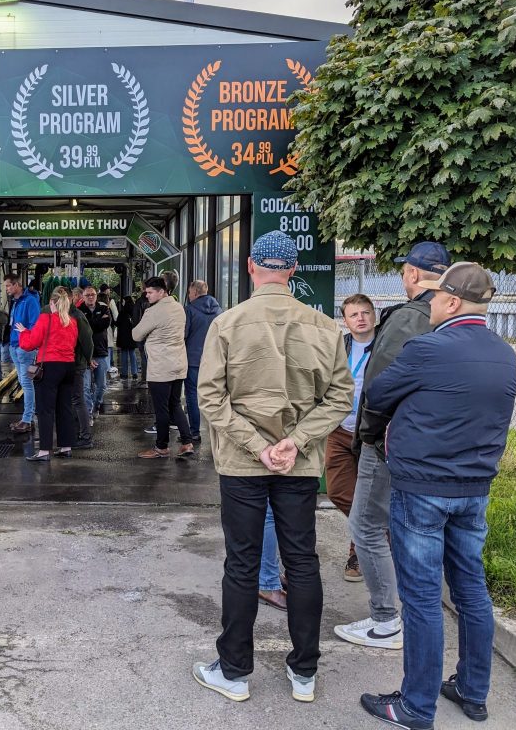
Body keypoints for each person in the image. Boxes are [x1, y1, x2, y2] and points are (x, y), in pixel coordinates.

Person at [193, 231, 353, 704]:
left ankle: (234, 671)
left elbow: (210, 397)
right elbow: (340, 398)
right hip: (299, 464)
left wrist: (256, 445)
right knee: (301, 560)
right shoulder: (325, 327)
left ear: (250, 266)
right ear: (294, 268)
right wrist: (295, 441)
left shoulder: (227, 323)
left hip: (243, 463)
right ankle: (304, 673)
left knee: (242, 562)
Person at [359, 263, 516, 730]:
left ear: (450, 301)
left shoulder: (427, 348)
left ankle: (415, 705)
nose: (429, 305)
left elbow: (378, 392)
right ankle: (472, 690)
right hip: (475, 489)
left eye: (435, 298)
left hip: (422, 488)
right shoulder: (505, 353)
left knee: (423, 596)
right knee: (470, 587)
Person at [335, 241, 450, 651]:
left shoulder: (408, 318)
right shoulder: (453, 316)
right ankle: (417, 618)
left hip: (388, 443)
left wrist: (365, 437)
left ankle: (386, 620)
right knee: (414, 526)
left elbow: (379, 388)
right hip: (436, 445)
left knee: (365, 525)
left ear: (414, 275)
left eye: (404, 272)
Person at [326, 293, 376, 582]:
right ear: (345, 320)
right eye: (354, 314)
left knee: (369, 494)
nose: (360, 318)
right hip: (340, 429)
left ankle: (357, 552)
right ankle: (379, 532)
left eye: (365, 312)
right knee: (338, 492)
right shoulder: (340, 346)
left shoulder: (385, 345)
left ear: (374, 314)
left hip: (373, 433)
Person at [132, 277, 195, 459]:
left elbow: (136, 334)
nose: (147, 295)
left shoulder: (154, 312)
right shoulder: (179, 308)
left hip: (161, 367)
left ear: (162, 291)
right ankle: (187, 442)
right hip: (179, 364)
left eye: (150, 292)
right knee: (175, 404)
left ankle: (161, 447)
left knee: (161, 409)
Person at [15, 287, 79, 461]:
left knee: (45, 409)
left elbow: (30, 344)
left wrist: (23, 333)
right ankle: (66, 447)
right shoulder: (72, 322)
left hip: (50, 367)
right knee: (64, 408)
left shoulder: (46, 318)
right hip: (69, 367)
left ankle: (44, 451)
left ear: (52, 303)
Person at [183, 280, 222, 442]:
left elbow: (184, 334)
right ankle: (218, 433)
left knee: (192, 395)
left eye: (190, 293)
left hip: (193, 359)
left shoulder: (189, 310)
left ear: (195, 292)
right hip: (214, 360)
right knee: (215, 395)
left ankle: (194, 432)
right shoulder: (219, 310)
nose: (189, 296)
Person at [6, 274, 41, 433]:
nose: (6, 289)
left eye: (8, 286)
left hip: (24, 348)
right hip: (15, 346)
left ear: (17, 285)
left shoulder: (30, 301)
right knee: (24, 382)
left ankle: (27, 420)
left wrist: (26, 336)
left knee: (27, 384)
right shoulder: (16, 301)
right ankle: (27, 418)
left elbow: (36, 325)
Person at [66, 290, 95, 449]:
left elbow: (87, 342)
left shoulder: (77, 316)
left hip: (77, 364)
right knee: (73, 399)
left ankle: (85, 437)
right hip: (69, 363)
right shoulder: (67, 315)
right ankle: (79, 433)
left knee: (78, 399)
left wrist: (88, 360)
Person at [79, 286, 112, 417]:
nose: (91, 297)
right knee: (85, 387)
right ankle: (88, 413)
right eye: (87, 295)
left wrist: (89, 324)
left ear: (96, 295)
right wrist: (97, 322)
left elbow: (105, 324)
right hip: (85, 354)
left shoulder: (104, 308)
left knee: (101, 386)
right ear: (83, 297)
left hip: (101, 352)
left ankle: (96, 405)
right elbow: (82, 329)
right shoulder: (79, 311)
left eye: (93, 294)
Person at [116, 295, 138, 380]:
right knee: (132, 354)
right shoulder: (134, 311)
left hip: (123, 337)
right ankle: (134, 372)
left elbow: (118, 323)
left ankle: (124, 373)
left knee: (124, 354)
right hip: (132, 336)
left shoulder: (122, 312)